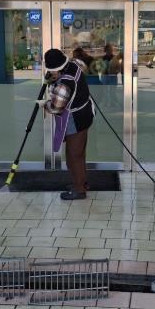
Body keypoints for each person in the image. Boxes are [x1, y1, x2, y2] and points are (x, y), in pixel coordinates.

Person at [40, 48, 94, 200]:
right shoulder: (75, 65)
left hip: (75, 119)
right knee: (79, 154)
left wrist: (44, 104)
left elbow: (56, 108)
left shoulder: (64, 85)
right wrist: (54, 80)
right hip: (85, 114)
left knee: (73, 156)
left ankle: (79, 190)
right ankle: (81, 183)